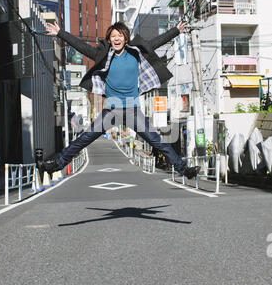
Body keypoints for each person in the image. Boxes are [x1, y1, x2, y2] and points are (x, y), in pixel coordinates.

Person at [39, 20, 200, 179]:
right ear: (109, 40)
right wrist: (60, 33)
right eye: (113, 36)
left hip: (132, 110)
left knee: (157, 141)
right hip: (111, 110)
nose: (117, 38)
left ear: (125, 38)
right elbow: (82, 46)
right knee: (84, 138)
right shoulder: (103, 56)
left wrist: (175, 31)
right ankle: (56, 165)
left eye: (120, 35)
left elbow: (156, 42)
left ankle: (184, 170)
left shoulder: (136, 52)